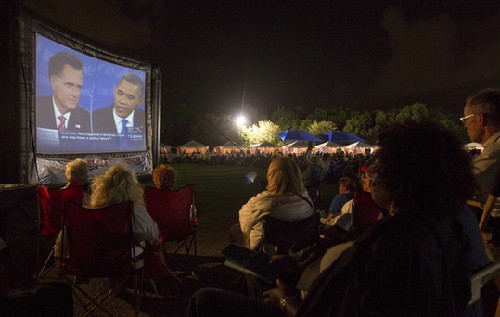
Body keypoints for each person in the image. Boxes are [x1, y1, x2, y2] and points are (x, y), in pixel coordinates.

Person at [188, 121, 478, 317]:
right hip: (303, 284)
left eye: (381, 161)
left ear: (402, 175)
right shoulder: (439, 231)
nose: (369, 169)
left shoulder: (391, 248)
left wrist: (284, 299)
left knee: (204, 300)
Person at [230, 157, 314, 251]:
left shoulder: (260, 203)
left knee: (235, 230)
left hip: (264, 255)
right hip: (297, 250)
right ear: (297, 175)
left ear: (271, 176)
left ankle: (237, 262)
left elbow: (244, 226)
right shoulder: (306, 199)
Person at [89, 164, 159, 242]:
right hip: (132, 252)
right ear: (131, 187)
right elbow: (153, 233)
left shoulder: (97, 211)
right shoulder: (136, 210)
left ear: (105, 186)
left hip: (103, 252)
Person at [36, 51, 90, 132]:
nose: (75, 94)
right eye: (69, 85)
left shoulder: (86, 118)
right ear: (53, 82)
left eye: (78, 87)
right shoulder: (36, 107)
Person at [462, 88, 500, 203]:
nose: (465, 126)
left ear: (480, 119)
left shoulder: (495, 152)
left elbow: (461, 186)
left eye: (465, 119)